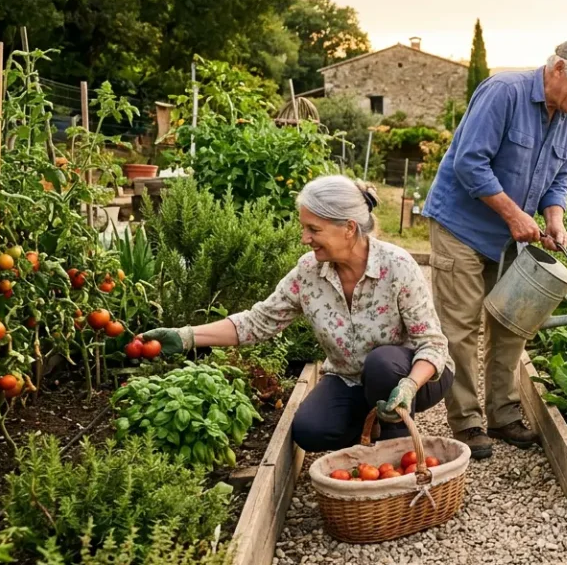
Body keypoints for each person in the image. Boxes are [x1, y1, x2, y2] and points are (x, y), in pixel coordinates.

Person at [130, 175, 455, 449]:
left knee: (382, 364)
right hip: (349, 379)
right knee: (311, 430)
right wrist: (187, 337)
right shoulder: (309, 273)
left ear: (349, 228)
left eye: (313, 229)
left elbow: (433, 344)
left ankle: (397, 449)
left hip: (415, 375)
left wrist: (410, 385)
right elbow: (258, 322)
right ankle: (372, 427)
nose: (304, 238)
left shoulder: (397, 267)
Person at [421, 37, 567, 459]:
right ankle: (467, 422)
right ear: (559, 68)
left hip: (511, 237)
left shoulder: (566, 117)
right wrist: (513, 214)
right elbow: (469, 162)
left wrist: (554, 217)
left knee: (514, 323)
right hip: (461, 226)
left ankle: (504, 414)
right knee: (461, 328)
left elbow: (561, 173)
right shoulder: (503, 93)